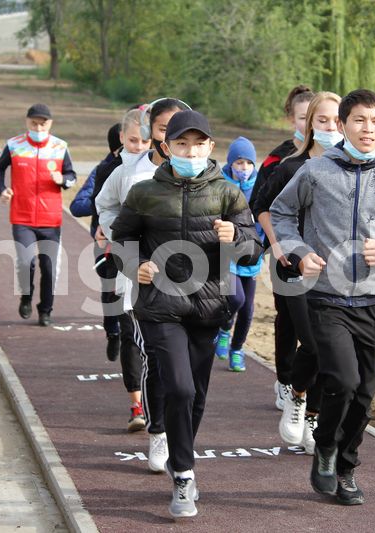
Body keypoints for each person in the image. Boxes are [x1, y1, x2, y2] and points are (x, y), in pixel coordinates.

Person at [270, 89, 375, 506]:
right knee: (342, 379)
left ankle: (347, 466)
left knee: (365, 396)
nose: (367, 129)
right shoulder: (317, 172)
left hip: (373, 301)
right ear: (342, 125)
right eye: (359, 120)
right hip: (327, 297)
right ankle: (324, 446)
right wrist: (298, 253)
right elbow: (281, 214)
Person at [110, 110, 262, 518]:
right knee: (178, 388)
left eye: (198, 144)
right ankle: (184, 473)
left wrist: (236, 237)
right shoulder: (144, 191)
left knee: (195, 394)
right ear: (166, 148)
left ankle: (181, 456)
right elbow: (121, 237)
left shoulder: (229, 193)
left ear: (211, 148)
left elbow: (252, 247)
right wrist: (134, 264)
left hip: (209, 306)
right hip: (161, 305)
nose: (189, 151)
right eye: (181, 144)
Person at [96, 98, 190, 472]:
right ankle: (159, 431)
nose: (173, 137)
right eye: (165, 128)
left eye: (180, 128)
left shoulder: (199, 172)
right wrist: (124, 246)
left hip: (189, 280)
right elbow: (105, 205)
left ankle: (179, 431)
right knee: (153, 355)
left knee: (185, 369)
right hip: (142, 280)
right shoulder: (128, 171)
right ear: (151, 131)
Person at [253, 91, 342, 455]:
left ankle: (311, 412)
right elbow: (262, 207)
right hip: (291, 265)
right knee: (311, 338)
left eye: (337, 121)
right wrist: (277, 245)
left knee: (328, 346)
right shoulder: (290, 166)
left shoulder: (349, 168)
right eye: (321, 121)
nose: (330, 127)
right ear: (307, 124)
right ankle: (295, 391)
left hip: (335, 271)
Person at [71, 115, 150, 432]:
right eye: (134, 141)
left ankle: (162, 399)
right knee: (128, 329)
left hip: (165, 263)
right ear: (121, 138)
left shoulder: (166, 169)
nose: (140, 147)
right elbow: (86, 204)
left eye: (146, 141)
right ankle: (137, 404)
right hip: (117, 257)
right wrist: (103, 228)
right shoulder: (109, 170)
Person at [249, 84, 315, 409]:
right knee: (288, 320)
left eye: (315, 117)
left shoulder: (336, 158)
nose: (309, 123)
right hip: (286, 255)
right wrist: (276, 244)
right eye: (303, 117)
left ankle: (307, 387)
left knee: (315, 325)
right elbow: (258, 203)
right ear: (292, 118)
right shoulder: (279, 160)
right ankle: (286, 380)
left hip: (322, 257)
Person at [0, 103, 76, 327]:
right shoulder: (14, 145)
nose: (38, 127)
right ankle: (26, 297)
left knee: (48, 267)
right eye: (34, 123)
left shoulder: (60, 147)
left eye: (43, 123)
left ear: (50, 123)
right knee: (25, 261)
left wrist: (63, 180)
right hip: (22, 216)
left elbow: (72, 174)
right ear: (26, 122)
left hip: (51, 218)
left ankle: (46, 309)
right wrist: (2, 189)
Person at [214, 136, 263, 372]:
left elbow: (264, 220)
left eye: (248, 163)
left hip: (251, 255)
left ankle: (237, 348)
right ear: (230, 163)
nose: (244, 168)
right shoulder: (219, 184)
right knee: (235, 298)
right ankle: (223, 329)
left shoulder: (260, 187)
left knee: (248, 308)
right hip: (226, 255)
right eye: (239, 163)